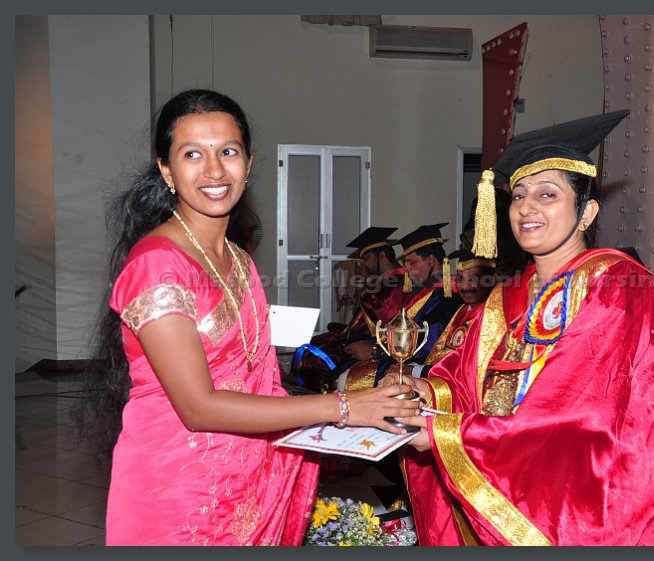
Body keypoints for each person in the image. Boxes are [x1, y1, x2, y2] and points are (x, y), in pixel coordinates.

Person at [73, 89, 418, 546]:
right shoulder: (158, 264)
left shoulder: (237, 258)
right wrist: (343, 407)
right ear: (166, 170)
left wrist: (358, 403)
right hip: (182, 488)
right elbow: (198, 408)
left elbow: (258, 373)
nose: (214, 171)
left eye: (228, 152)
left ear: (249, 163)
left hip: (248, 475)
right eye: (192, 154)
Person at [389, 110, 654, 545]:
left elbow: (580, 419)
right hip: (502, 482)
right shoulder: (508, 295)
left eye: (547, 194)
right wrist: (422, 393)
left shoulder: (618, 289)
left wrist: (446, 434)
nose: (526, 207)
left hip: (586, 500)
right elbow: (465, 378)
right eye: (519, 195)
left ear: (587, 211)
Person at [338, 223, 463, 390]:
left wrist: (376, 352)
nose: (406, 269)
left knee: (347, 379)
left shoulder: (447, 296)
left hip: (427, 370)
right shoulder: (427, 291)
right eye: (405, 263)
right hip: (403, 359)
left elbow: (427, 345)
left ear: (431, 261)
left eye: (412, 263)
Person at [292, 227, 408, 391]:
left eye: (366, 258)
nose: (363, 264)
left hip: (373, 343)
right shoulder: (383, 281)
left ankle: (321, 399)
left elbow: (382, 320)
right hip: (358, 336)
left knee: (314, 359)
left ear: (382, 256)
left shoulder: (395, 283)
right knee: (310, 345)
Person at [402, 249, 497, 378]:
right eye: (460, 278)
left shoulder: (492, 317)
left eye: (472, 279)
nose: (464, 286)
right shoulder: (462, 310)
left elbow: (469, 370)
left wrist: (415, 371)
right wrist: (411, 367)